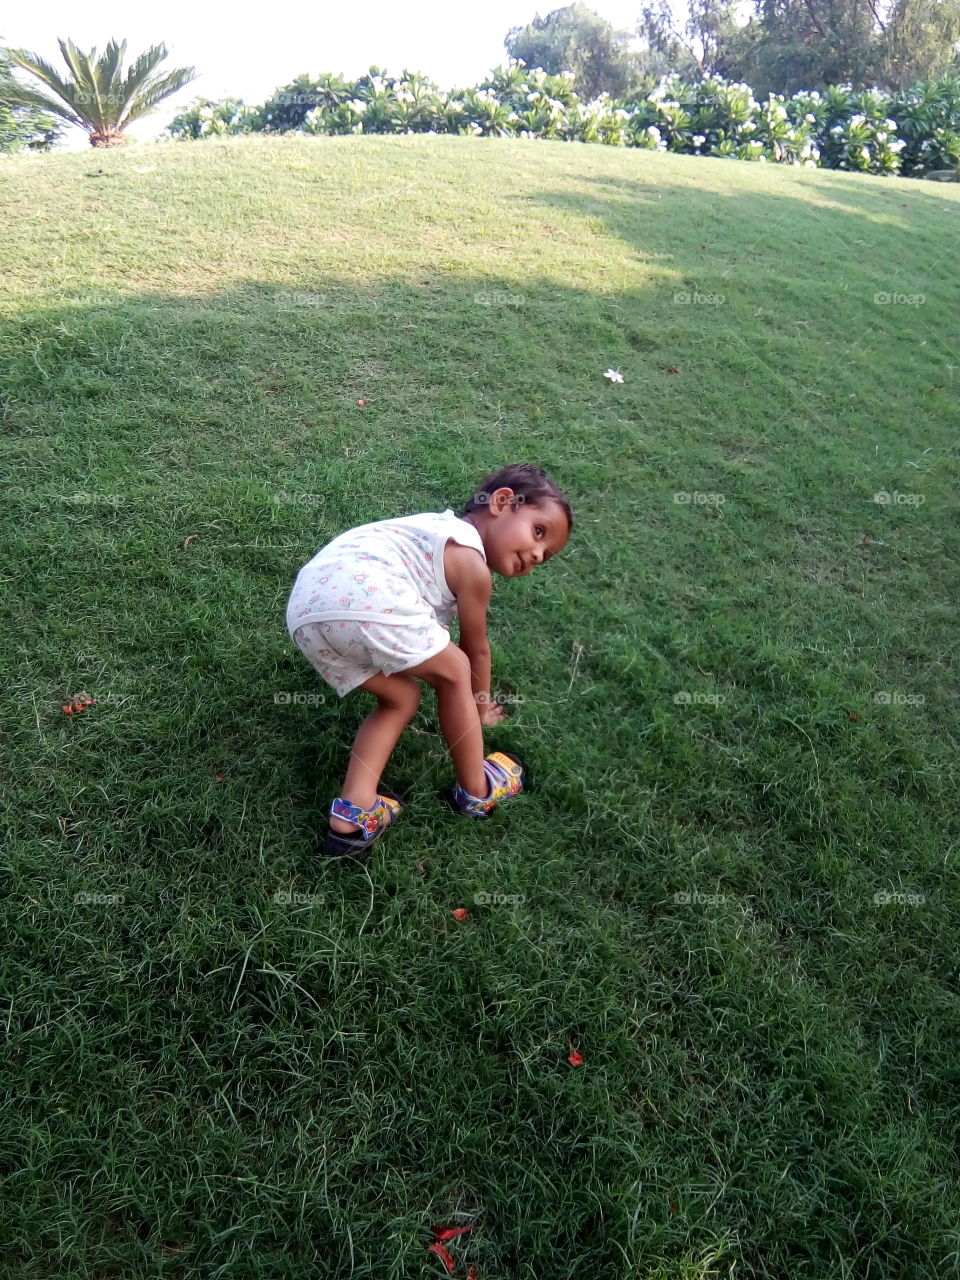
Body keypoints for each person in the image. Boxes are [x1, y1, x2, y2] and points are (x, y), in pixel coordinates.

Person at [285, 463, 574, 857]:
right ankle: (477, 791)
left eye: (546, 556)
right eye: (539, 531)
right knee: (455, 671)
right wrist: (480, 704)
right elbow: (476, 649)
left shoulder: (433, 527)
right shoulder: (472, 564)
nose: (538, 554)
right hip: (364, 597)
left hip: (308, 610)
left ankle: (353, 816)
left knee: (401, 698)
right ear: (502, 502)